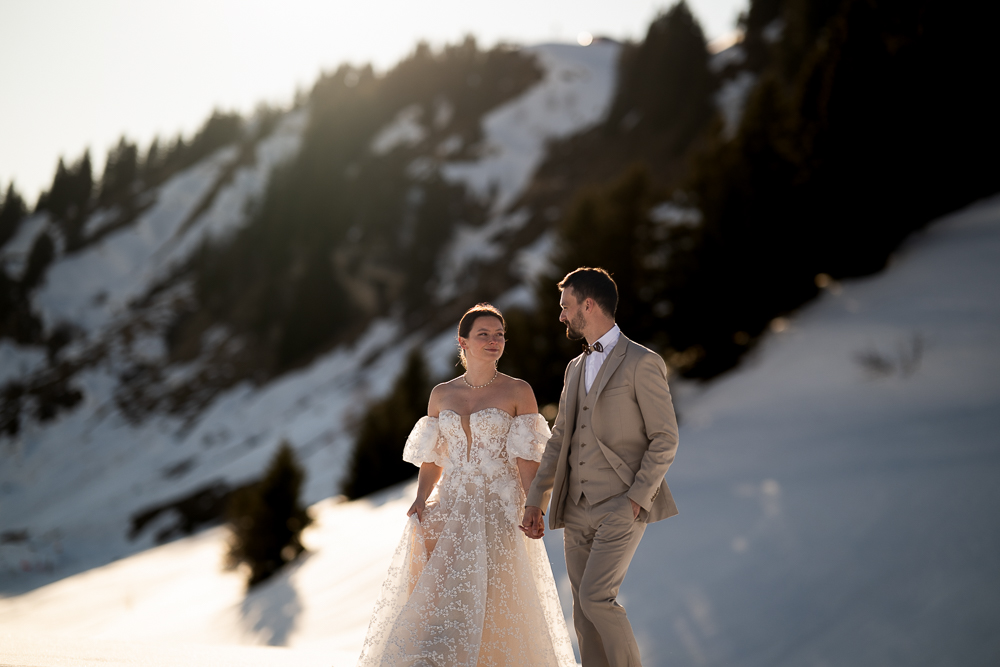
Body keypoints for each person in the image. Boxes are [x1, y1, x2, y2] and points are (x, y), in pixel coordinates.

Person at [357, 303, 576, 667]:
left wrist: (534, 503)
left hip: (499, 511)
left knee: (495, 600)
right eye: (484, 334)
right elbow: (434, 457)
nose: (494, 341)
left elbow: (527, 459)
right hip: (452, 509)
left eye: (499, 335)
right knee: (443, 603)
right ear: (463, 341)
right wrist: (421, 497)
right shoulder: (441, 394)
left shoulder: (518, 391)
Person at [521, 267, 679, 667]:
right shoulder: (575, 368)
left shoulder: (642, 362)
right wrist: (536, 498)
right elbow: (559, 439)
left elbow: (665, 438)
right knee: (583, 612)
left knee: (597, 598)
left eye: (566, 307)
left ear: (588, 305)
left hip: (621, 503)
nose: (561, 316)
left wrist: (636, 498)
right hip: (576, 507)